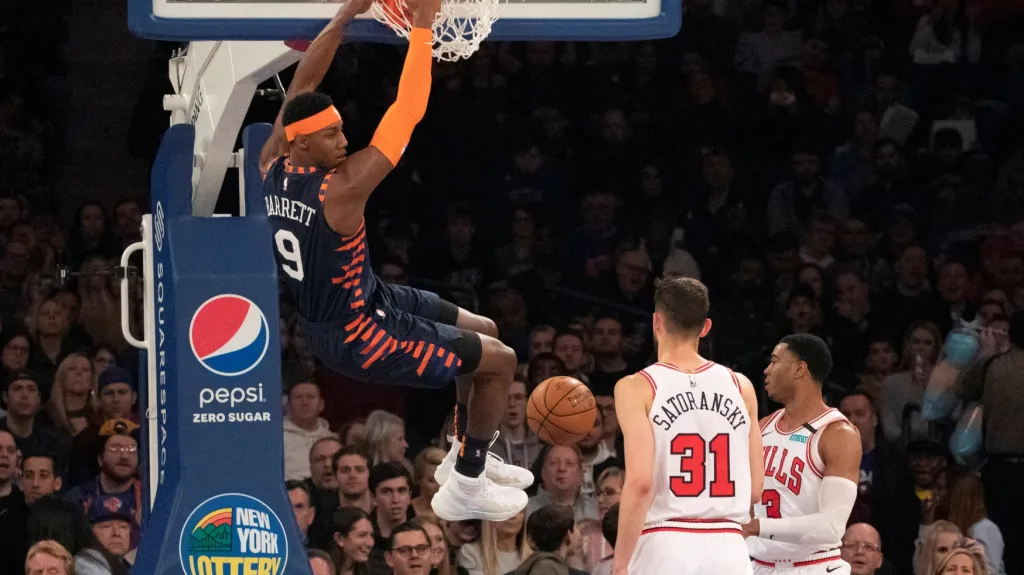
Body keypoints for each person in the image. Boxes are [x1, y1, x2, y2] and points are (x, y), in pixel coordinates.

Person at [258, 0, 530, 522]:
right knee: (501, 361)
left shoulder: (272, 161)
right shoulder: (341, 188)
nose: (344, 141)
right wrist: (423, 28)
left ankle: (463, 450)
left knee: (486, 329)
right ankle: (467, 483)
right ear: (304, 141)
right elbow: (407, 110)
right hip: (357, 333)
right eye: (332, 135)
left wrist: (344, 17)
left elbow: (301, 86)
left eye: (342, 128)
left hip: (361, 297)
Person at [613, 277, 763, 575]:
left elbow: (641, 483)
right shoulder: (741, 386)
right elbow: (755, 490)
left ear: (656, 322)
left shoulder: (637, 386)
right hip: (730, 549)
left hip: (666, 544)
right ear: (705, 327)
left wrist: (620, 564)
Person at [745, 333, 863, 574]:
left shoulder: (837, 433)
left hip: (814, 566)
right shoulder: (763, 426)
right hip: (761, 565)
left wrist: (757, 527)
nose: (767, 370)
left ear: (800, 369)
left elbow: (831, 526)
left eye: (774, 361)